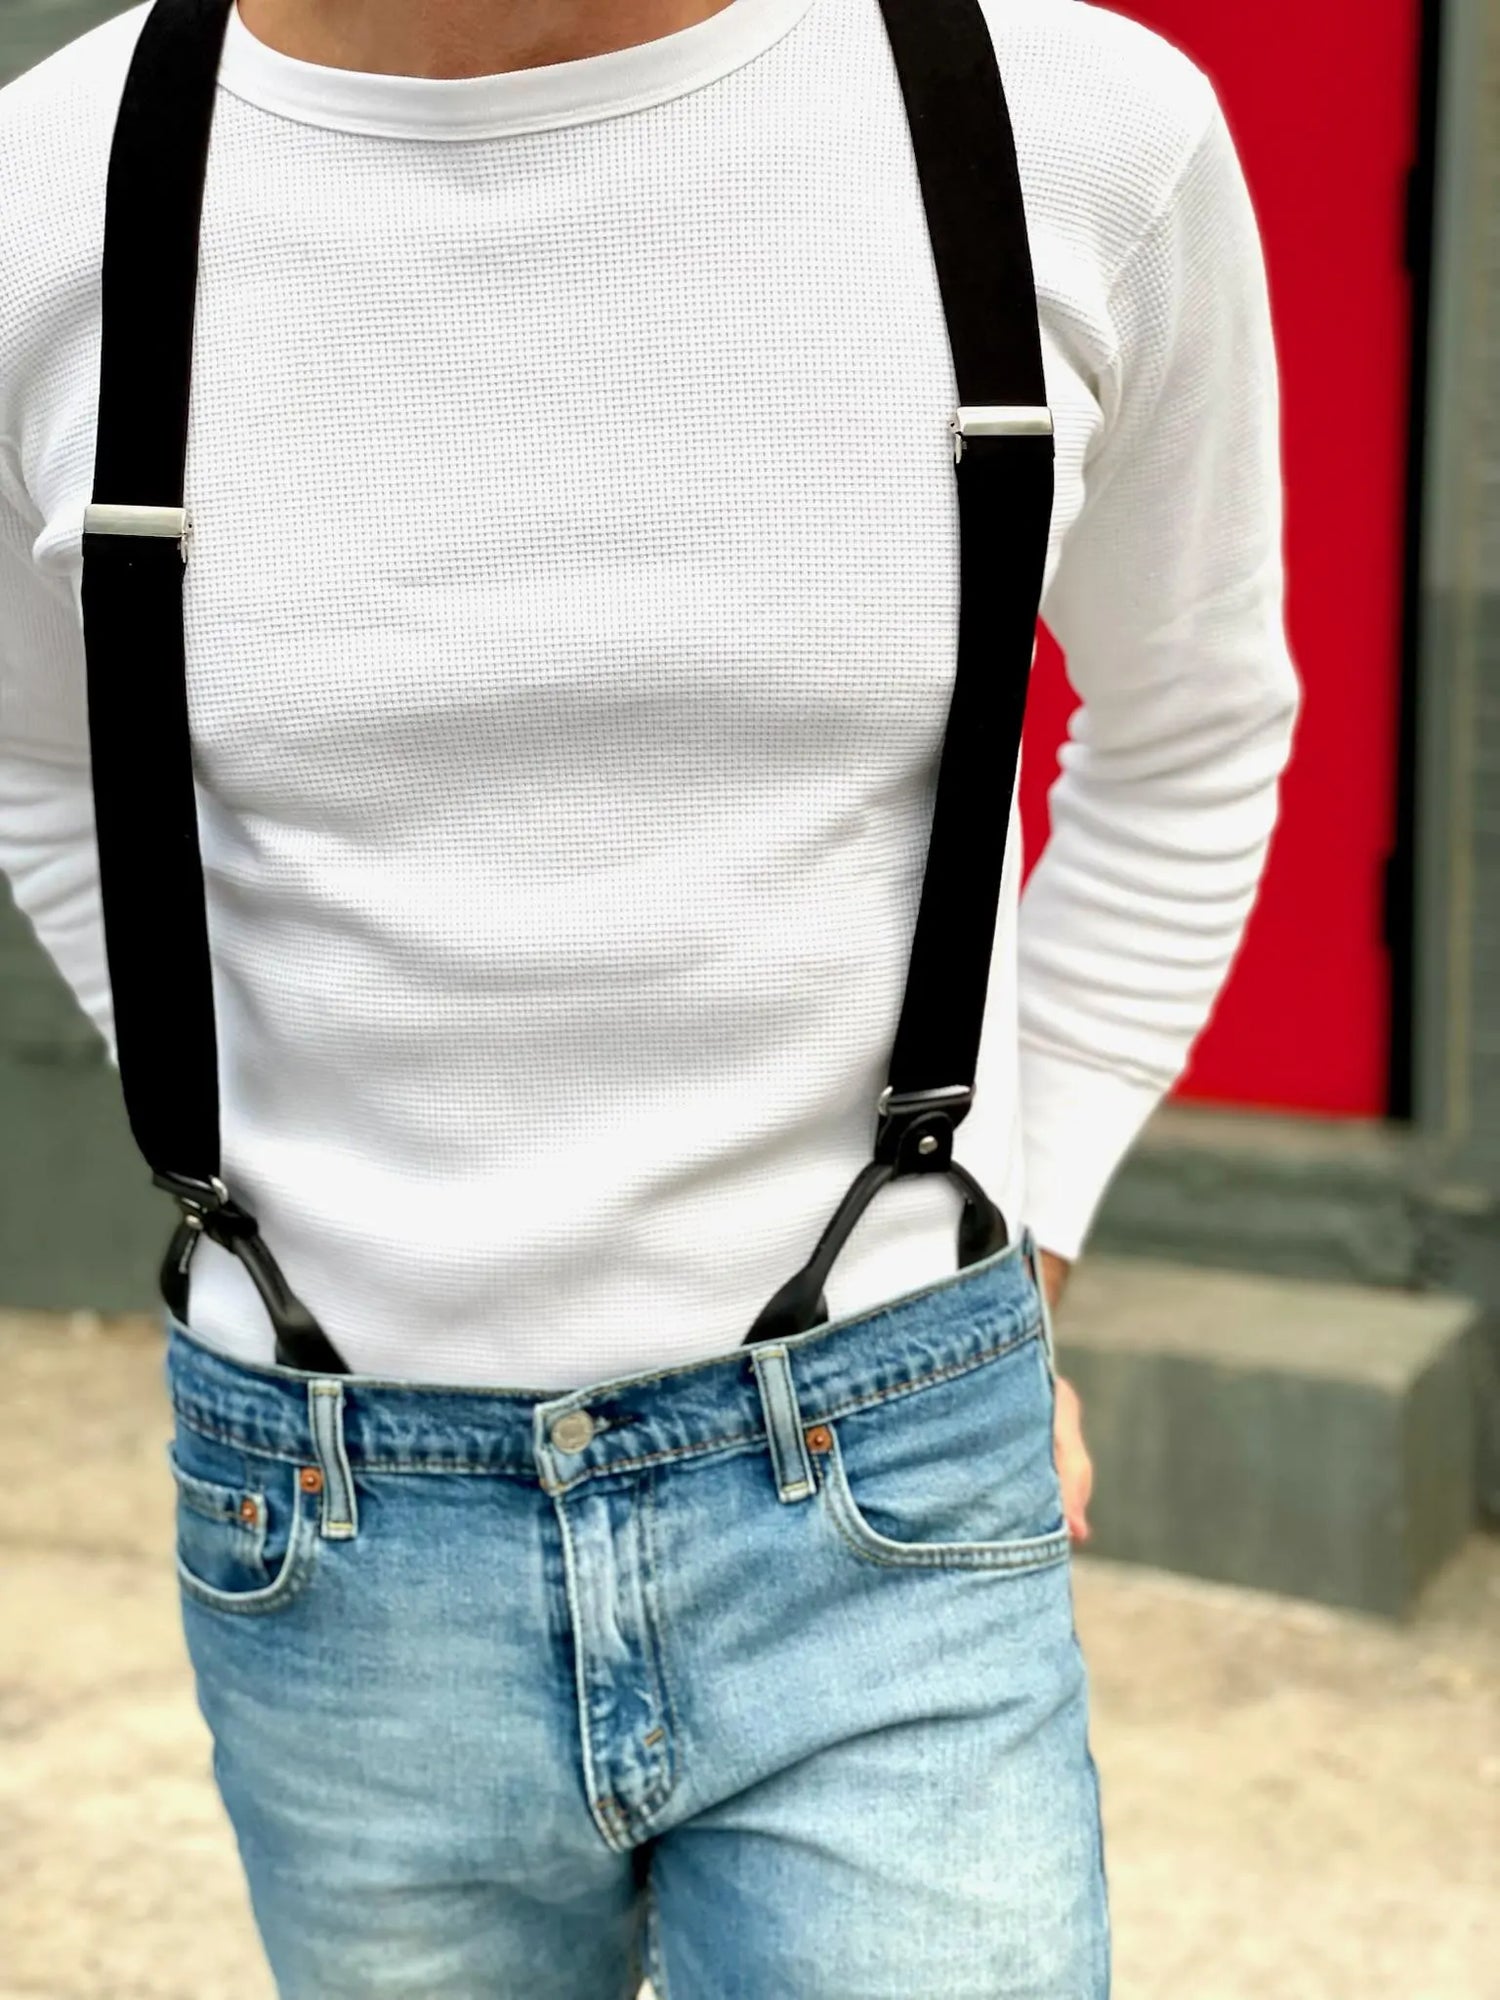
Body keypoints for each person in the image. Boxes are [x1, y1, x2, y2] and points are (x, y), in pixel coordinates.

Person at [0, 0, 1299, 1992]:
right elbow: (47, 761)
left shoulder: (1074, 135)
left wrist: (1011, 1257)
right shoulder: (49, 198)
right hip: (330, 1528)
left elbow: (1197, 727)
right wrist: (227, 1133)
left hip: (888, 1508)